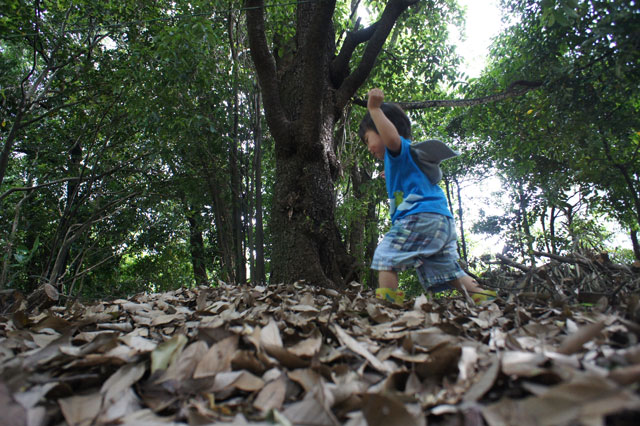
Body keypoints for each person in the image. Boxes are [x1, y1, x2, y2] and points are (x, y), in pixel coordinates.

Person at [359, 88, 495, 305]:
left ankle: (387, 307)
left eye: (368, 139)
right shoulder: (406, 160)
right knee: (449, 271)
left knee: (385, 256)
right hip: (441, 221)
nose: (369, 148)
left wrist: (374, 109)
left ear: (383, 127)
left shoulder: (398, 147)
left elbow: (392, 139)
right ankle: (486, 299)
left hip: (420, 218)